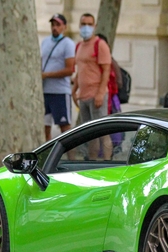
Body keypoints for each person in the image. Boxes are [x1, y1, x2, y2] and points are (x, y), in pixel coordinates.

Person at [72, 13, 112, 159]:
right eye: (83, 24)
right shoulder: (79, 46)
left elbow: (107, 70)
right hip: (83, 96)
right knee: (90, 134)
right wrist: (74, 89)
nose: (86, 27)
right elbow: (80, 70)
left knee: (103, 132)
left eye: (89, 24)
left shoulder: (100, 45)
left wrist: (100, 93)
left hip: (97, 96)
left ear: (94, 26)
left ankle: (108, 162)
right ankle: (92, 162)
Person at [41, 13, 75, 141]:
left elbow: (69, 69)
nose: (55, 28)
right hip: (45, 91)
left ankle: (70, 158)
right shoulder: (45, 42)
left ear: (64, 27)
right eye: (53, 25)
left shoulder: (68, 44)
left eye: (58, 25)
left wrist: (47, 75)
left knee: (65, 128)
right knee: (44, 127)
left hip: (60, 92)